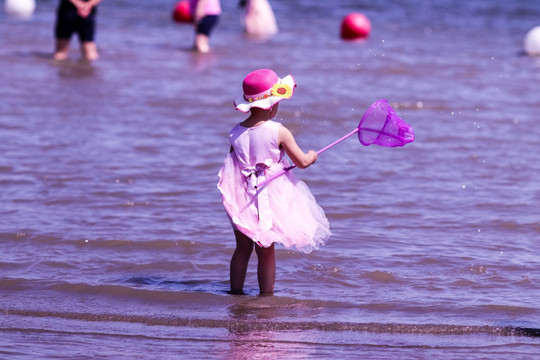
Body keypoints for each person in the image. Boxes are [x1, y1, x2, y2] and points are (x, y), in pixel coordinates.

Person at [217, 69, 331, 295]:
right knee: (266, 249)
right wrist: (312, 155)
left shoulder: (235, 132)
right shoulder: (279, 131)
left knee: (242, 248)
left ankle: (235, 292)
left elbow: (234, 165)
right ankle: (266, 295)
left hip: (242, 196)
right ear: (271, 105)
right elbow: (301, 162)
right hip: (266, 197)